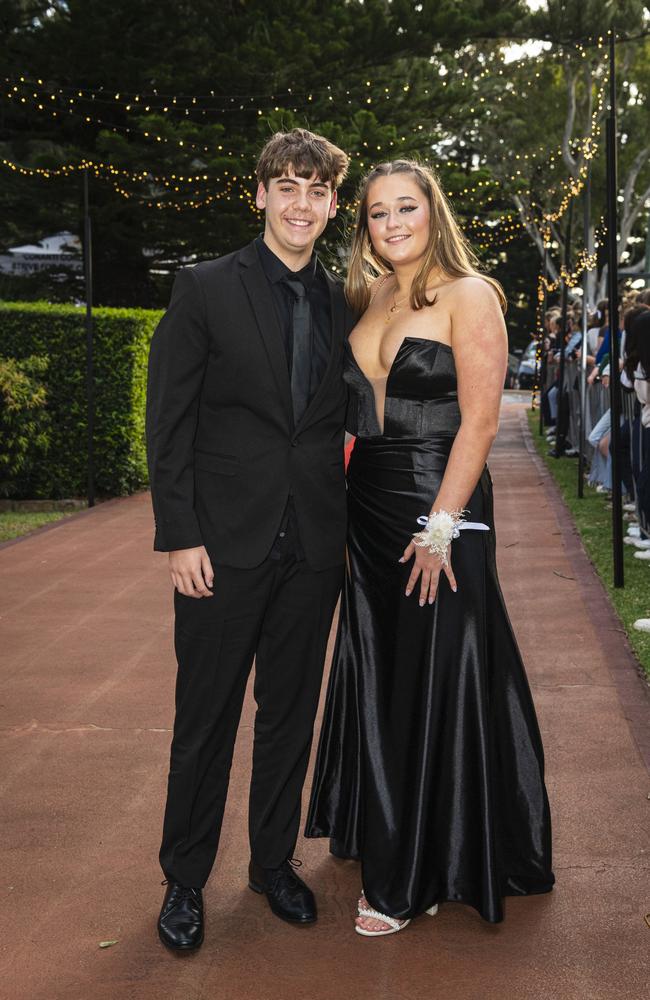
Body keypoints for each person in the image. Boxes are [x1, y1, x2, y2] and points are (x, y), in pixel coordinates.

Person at [305, 159, 555, 935]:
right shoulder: (370, 293)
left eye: (405, 207)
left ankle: (420, 870)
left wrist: (441, 529)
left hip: (437, 506)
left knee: (443, 663)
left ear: (432, 210)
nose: (392, 224)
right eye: (377, 214)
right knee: (386, 665)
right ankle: (383, 816)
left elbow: (481, 421)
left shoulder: (471, 293)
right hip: (370, 506)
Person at [146, 128, 352, 951]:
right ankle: (183, 882)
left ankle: (272, 866)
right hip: (219, 548)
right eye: (289, 187)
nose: (302, 203)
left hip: (312, 548)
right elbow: (170, 423)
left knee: (289, 718)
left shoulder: (346, 298)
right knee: (204, 721)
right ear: (259, 193)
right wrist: (179, 535)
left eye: (318, 191)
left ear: (333, 205)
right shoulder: (202, 287)